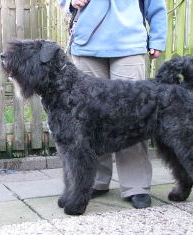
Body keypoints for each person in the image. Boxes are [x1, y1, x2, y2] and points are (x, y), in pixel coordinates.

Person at [59, 0, 167, 209]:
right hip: (86, 46)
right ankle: (95, 182)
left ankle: (136, 186)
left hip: (129, 45)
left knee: (134, 120)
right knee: (87, 126)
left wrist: (158, 37)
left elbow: (155, 3)